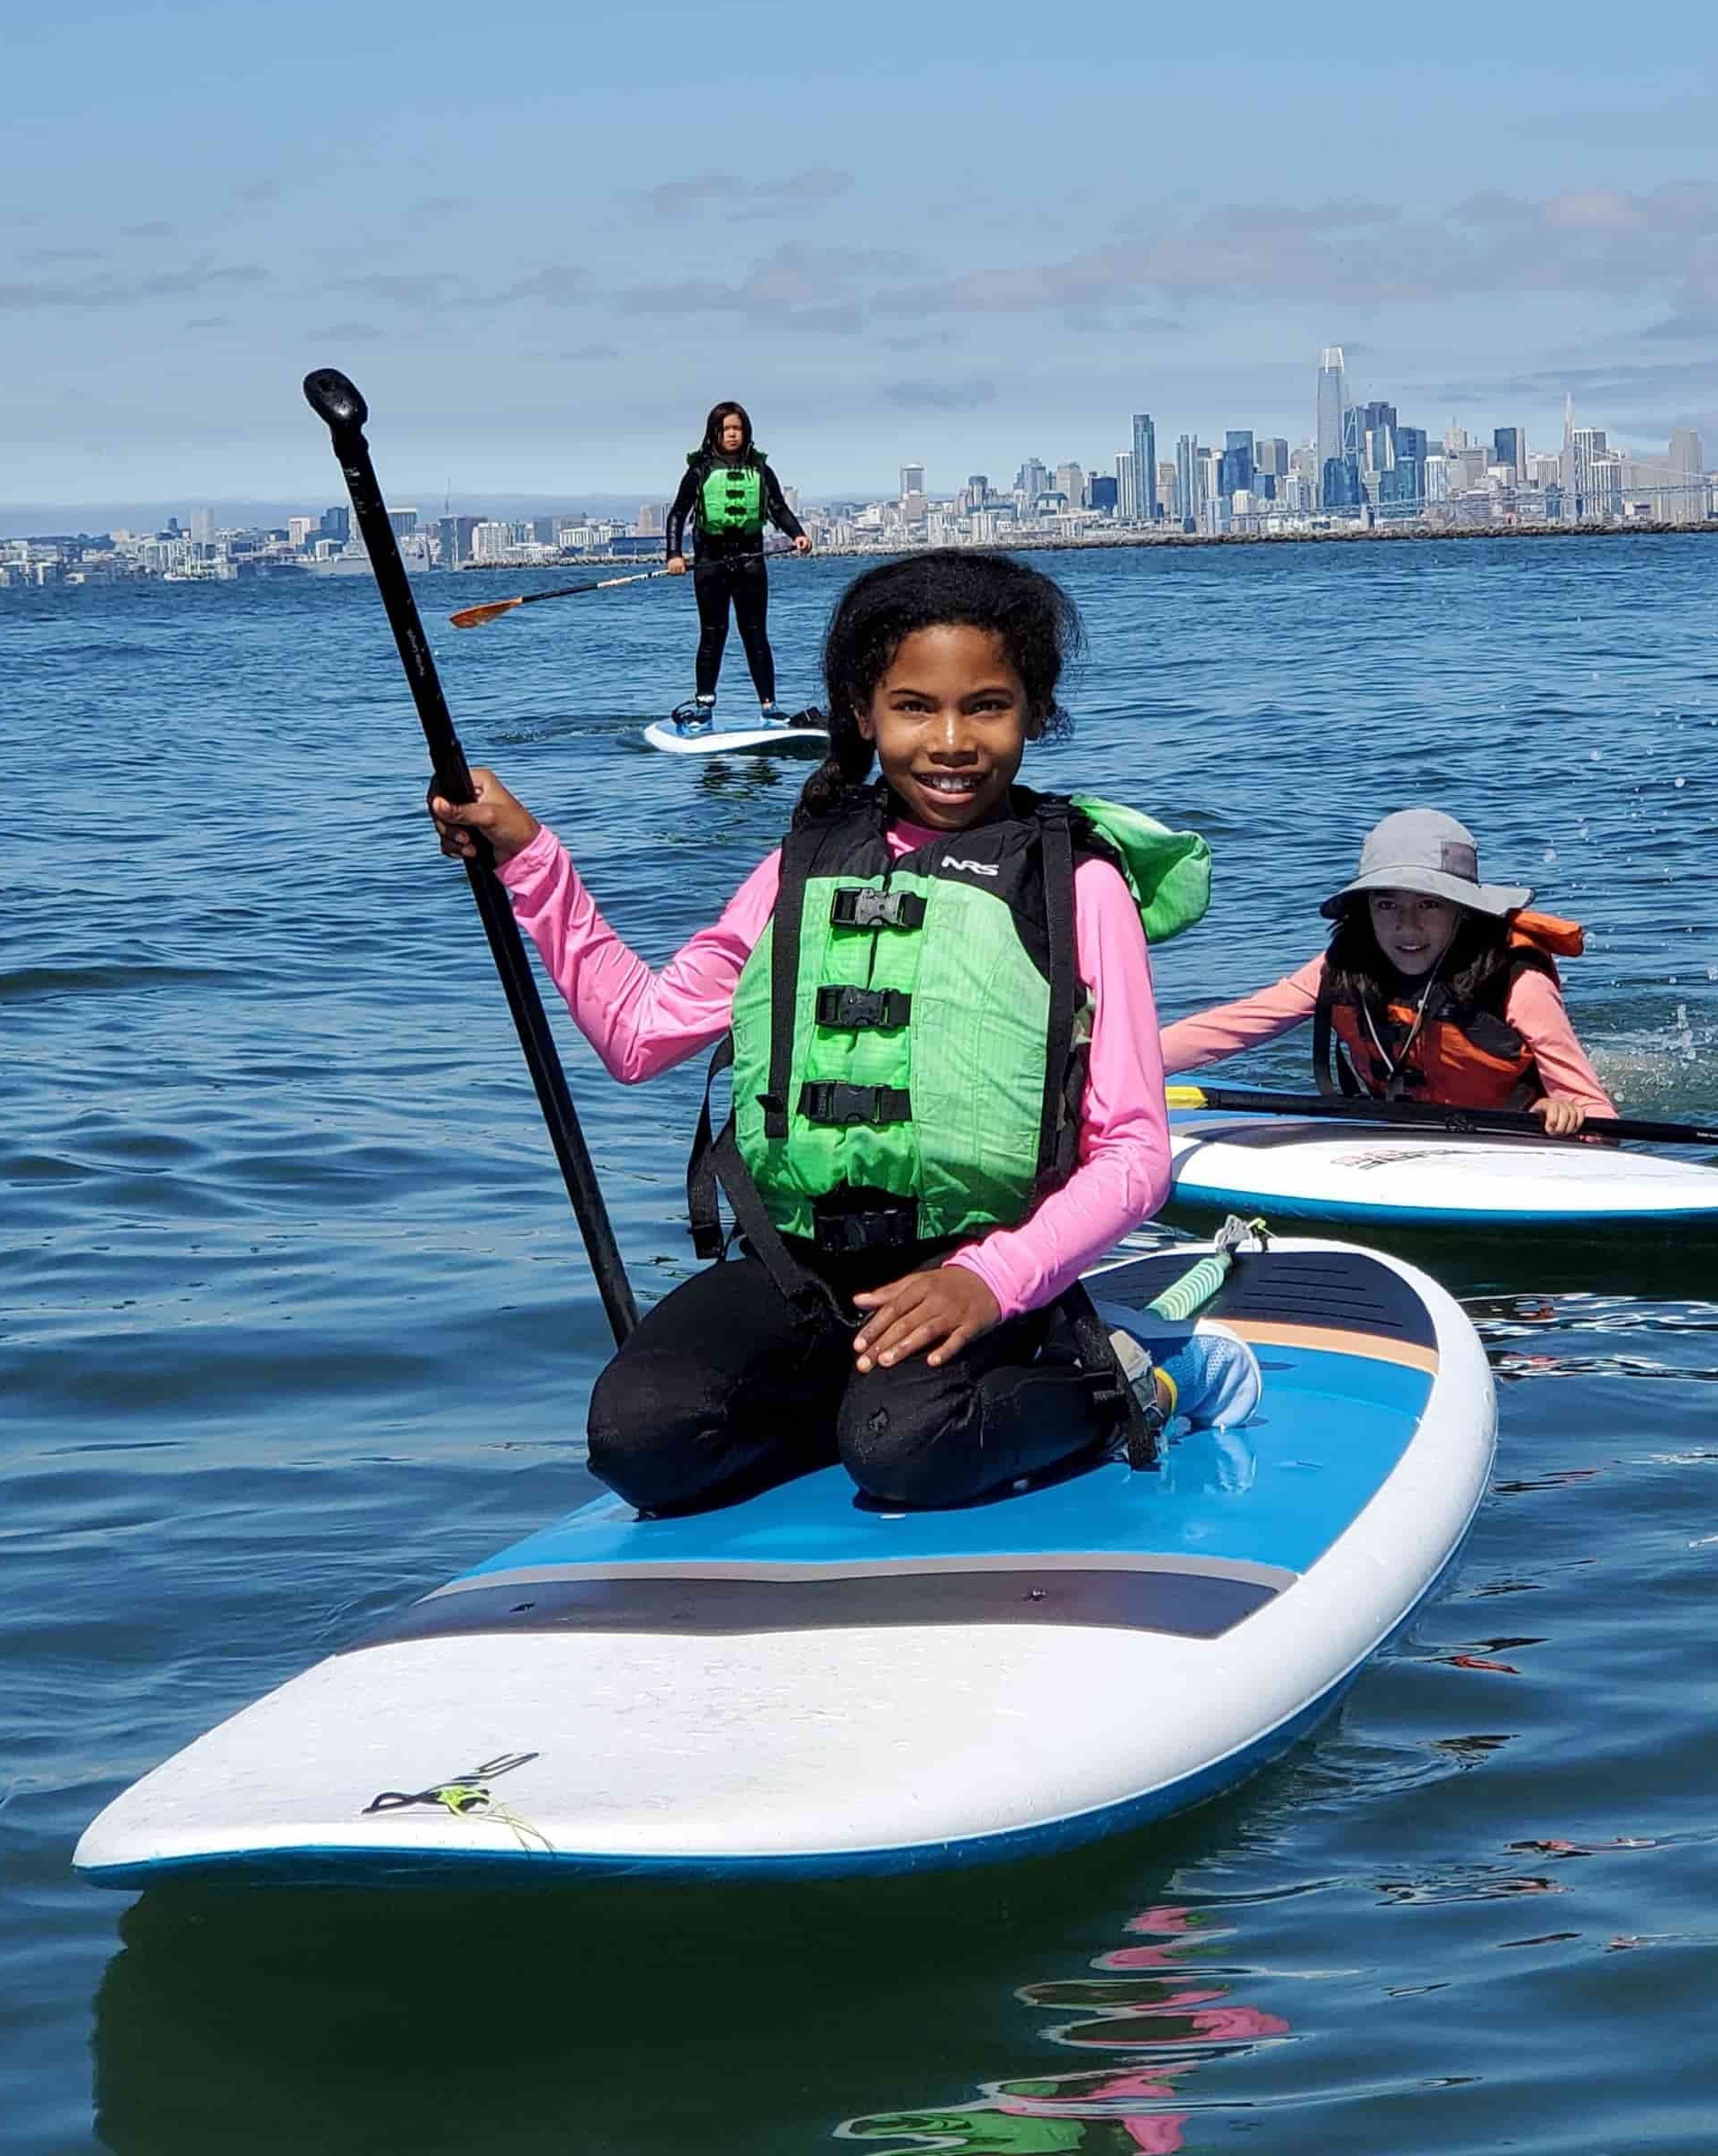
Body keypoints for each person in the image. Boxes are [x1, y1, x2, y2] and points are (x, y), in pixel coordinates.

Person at [429, 551, 1250, 1519]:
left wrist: (990, 1281)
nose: (951, 741)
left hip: (983, 1263)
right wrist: (531, 860)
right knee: (640, 1443)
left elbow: (1134, 1155)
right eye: (914, 706)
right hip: (799, 1269)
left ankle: (1144, 1372)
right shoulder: (802, 867)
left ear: (1034, 711)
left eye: (986, 705)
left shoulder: (1078, 886)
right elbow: (640, 1035)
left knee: (908, 1451)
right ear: (862, 713)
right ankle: (858, 1401)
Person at [1160, 807, 1615, 1135]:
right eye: (1387, 904)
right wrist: (1114, 1068)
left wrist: (1565, 1118)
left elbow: (1601, 1120)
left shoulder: (1518, 982)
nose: (1407, 926)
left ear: (1464, 911)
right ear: (1364, 910)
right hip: (1395, 1130)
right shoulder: (1340, 968)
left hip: (1508, 1134)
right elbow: (1227, 1029)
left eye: (1430, 904)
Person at [664, 400, 814, 733]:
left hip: (750, 562)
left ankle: (769, 708)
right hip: (710, 564)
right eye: (726, 429)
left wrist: (798, 534)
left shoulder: (761, 470)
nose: (733, 434)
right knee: (712, 634)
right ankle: (703, 710)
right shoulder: (699, 470)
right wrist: (674, 554)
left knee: (756, 634)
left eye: (738, 428)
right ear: (715, 433)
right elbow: (678, 513)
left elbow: (777, 508)